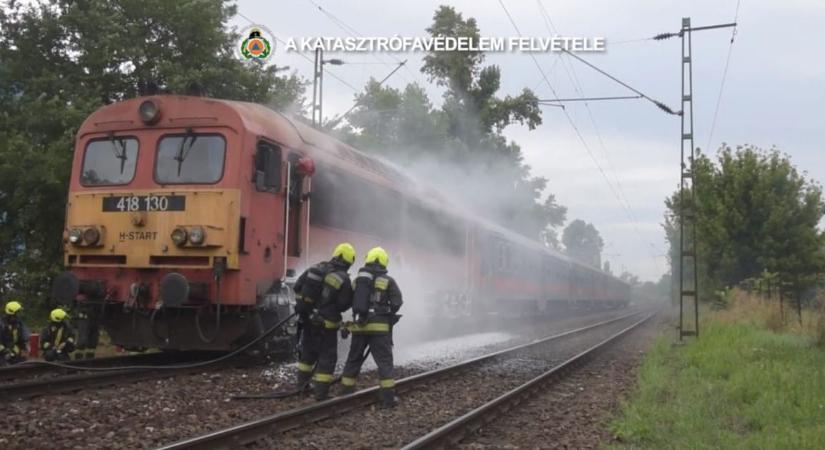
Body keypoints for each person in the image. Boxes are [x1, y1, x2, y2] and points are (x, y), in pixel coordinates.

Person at [340, 247, 403, 408]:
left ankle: (346, 394)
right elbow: (397, 302)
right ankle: (388, 399)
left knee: (353, 360)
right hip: (380, 330)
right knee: (384, 362)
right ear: (383, 262)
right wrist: (386, 312)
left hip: (359, 327)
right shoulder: (388, 281)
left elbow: (347, 301)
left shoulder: (357, 281)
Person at [292, 243, 355, 401]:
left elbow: (297, 287)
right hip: (326, 325)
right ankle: (320, 394)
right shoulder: (343, 278)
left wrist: (307, 309)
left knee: (307, 355)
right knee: (327, 358)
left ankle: (301, 388)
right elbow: (342, 305)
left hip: (307, 321)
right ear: (349, 262)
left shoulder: (316, 268)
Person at [0, 301, 29, 365]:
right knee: (4, 365)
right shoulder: (2, 324)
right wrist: (5, 351)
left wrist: (23, 347)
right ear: (11, 313)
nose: (18, 315)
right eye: (17, 313)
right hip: (2, 351)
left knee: (22, 362)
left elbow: (21, 337)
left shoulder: (18, 323)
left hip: (12, 348)